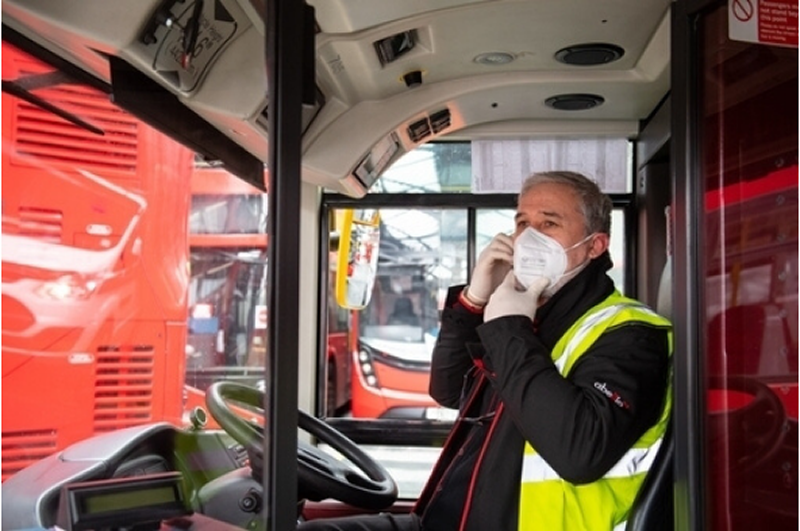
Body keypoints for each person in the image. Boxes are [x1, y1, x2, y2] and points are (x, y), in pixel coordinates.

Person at [298, 171, 673, 531]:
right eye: (522, 223)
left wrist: (510, 327)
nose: (529, 237)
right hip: (443, 520)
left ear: (595, 245)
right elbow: (448, 391)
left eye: (549, 223)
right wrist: (474, 300)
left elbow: (579, 453)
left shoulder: (630, 334)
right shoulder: (530, 313)